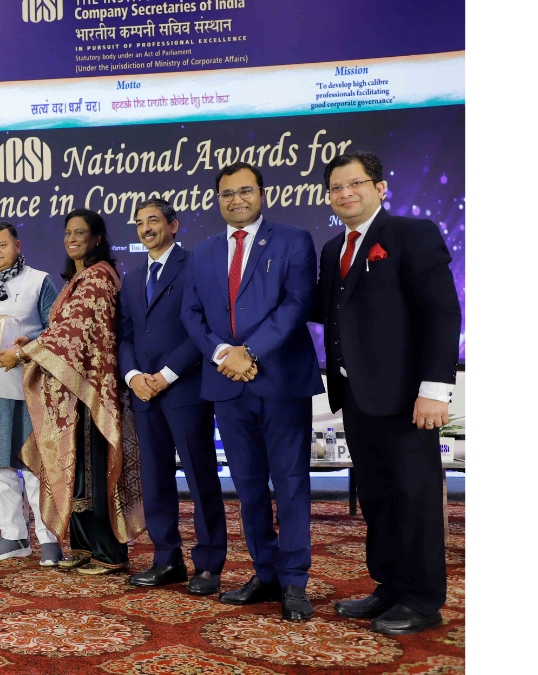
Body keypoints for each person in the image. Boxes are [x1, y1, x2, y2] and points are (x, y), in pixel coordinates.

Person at [315, 151, 461, 634]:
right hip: (356, 396)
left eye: (355, 183)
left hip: (407, 397)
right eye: (336, 187)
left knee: (414, 497)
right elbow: (328, 310)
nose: (345, 193)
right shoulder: (333, 249)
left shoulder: (411, 234)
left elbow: (442, 312)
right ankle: (390, 586)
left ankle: (421, 600)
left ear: (379, 187)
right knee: (377, 496)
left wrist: (435, 391)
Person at [181, 162, 324, 621]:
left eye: (245, 191)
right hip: (226, 382)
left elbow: (296, 304)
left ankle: (294, 581)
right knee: (247, 485)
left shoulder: (293, 240)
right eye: (227, 193)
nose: (236, 200)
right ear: (217, 200)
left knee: (290, 482)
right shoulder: (202, 252)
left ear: (262, 194)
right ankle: (265, 573)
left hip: (280, 381)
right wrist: (223, 353)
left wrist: (251, 352)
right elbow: (191, 314)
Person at [11, 208, 146, 575]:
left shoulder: (99, 276)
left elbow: (75, 331)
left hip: (93, 393)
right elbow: (63, 330)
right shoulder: (79, 277)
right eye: (68, 232)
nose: (71, 239)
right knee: (80, 472)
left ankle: (110, 553)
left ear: (96, 238)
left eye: (80, 233)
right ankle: (86, 546)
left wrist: (24, 353)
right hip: (77, 390)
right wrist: (34, 342)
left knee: (94, 471)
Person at [118, 198, 227, 594]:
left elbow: (204, 329)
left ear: (173, 225)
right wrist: (133, 376)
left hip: (185, 390)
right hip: (144, 395)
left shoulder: (196, 266)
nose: (146, 228)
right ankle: (166, 559)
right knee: (154, 479)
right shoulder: (132, 278)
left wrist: (166, 375)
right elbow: (125, 335)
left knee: (201, 477)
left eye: (153, 220)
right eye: (140, 223)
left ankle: (209, 565)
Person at [0, 222, 62, 565]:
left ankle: (49, 539)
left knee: (36, 466)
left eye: (2, 245)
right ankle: (13, 537)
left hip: (29, 384)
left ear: (17, 246)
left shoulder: (39, 281)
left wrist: (26, 349)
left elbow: (57, 330)